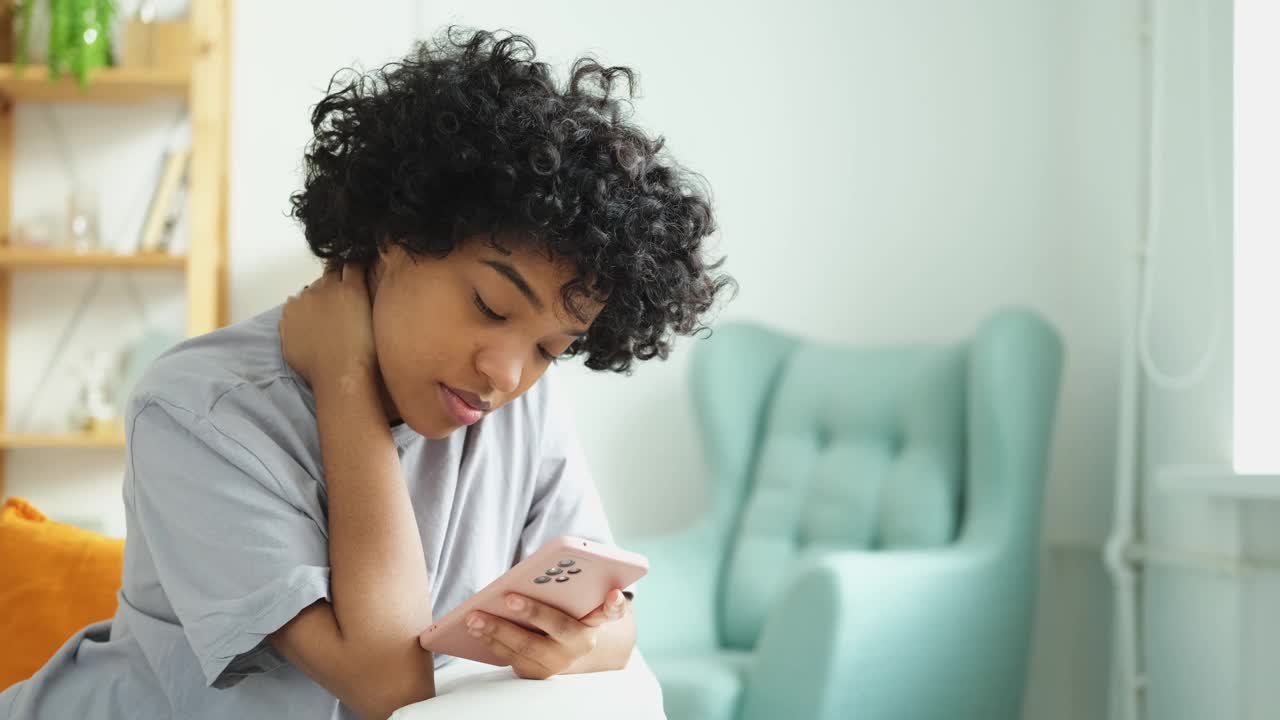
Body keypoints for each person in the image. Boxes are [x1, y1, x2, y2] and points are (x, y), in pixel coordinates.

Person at [0, 26, 732, 720]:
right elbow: (389, 685)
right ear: (393, 237)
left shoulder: (524, 415)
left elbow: (613, 623)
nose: (506, 373)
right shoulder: (199, 409)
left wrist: (586, 644)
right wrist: (343, 382)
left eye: (551, 348)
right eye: (489, 304)